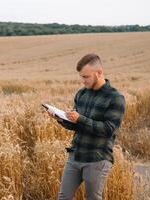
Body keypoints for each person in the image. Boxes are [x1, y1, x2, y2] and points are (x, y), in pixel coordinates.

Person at [47, 53, 126, 200]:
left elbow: (108, 130)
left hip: (97, 158)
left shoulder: (115, 98)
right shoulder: (81, 94)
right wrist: (60, 118)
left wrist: (80, 119)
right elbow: (76, 125)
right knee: (63, 197)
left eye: (86, 77)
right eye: (81, 77)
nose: (83, 81)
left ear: (99, 73)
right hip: (75, 154)